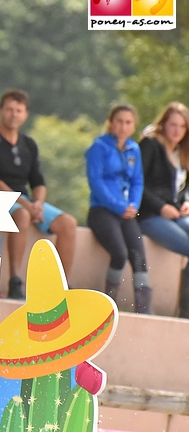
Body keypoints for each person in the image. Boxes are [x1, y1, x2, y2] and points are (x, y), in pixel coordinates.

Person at [0, 89, 78, 300]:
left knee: (68, 223)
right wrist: (27, 205)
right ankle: (15, 281)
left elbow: (38, 181)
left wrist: (37, 203)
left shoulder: (28, 144)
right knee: (22, 215)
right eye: (10, 109)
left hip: (27, 200)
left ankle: (59, 285)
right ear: (1, 111)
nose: (14, 114)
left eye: (19, 110)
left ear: (25, 114)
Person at [85, 104, 151, 313]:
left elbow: (137, 180)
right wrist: (119, 205)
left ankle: (143, 307)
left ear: (134, 126)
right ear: (111, 123)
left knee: (139, 254)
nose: (123, 126)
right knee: (119, 253)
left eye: (128, 122)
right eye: (119, 121)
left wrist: (133, 205)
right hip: (103, 209)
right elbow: (96, 182)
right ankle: (108, 303)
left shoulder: (134, 149)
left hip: (126, 211)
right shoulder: (99, 147)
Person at [138, 102, 189, 318]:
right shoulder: (150, 145)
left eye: (182, 126)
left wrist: (186, 202)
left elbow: (183, 188)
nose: (177, 131)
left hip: (176, 214)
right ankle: (185, 310)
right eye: (173, 125)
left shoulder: (182, 153)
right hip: (150, 214)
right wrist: (161, 207)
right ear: (164, 124)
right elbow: (137, 184)